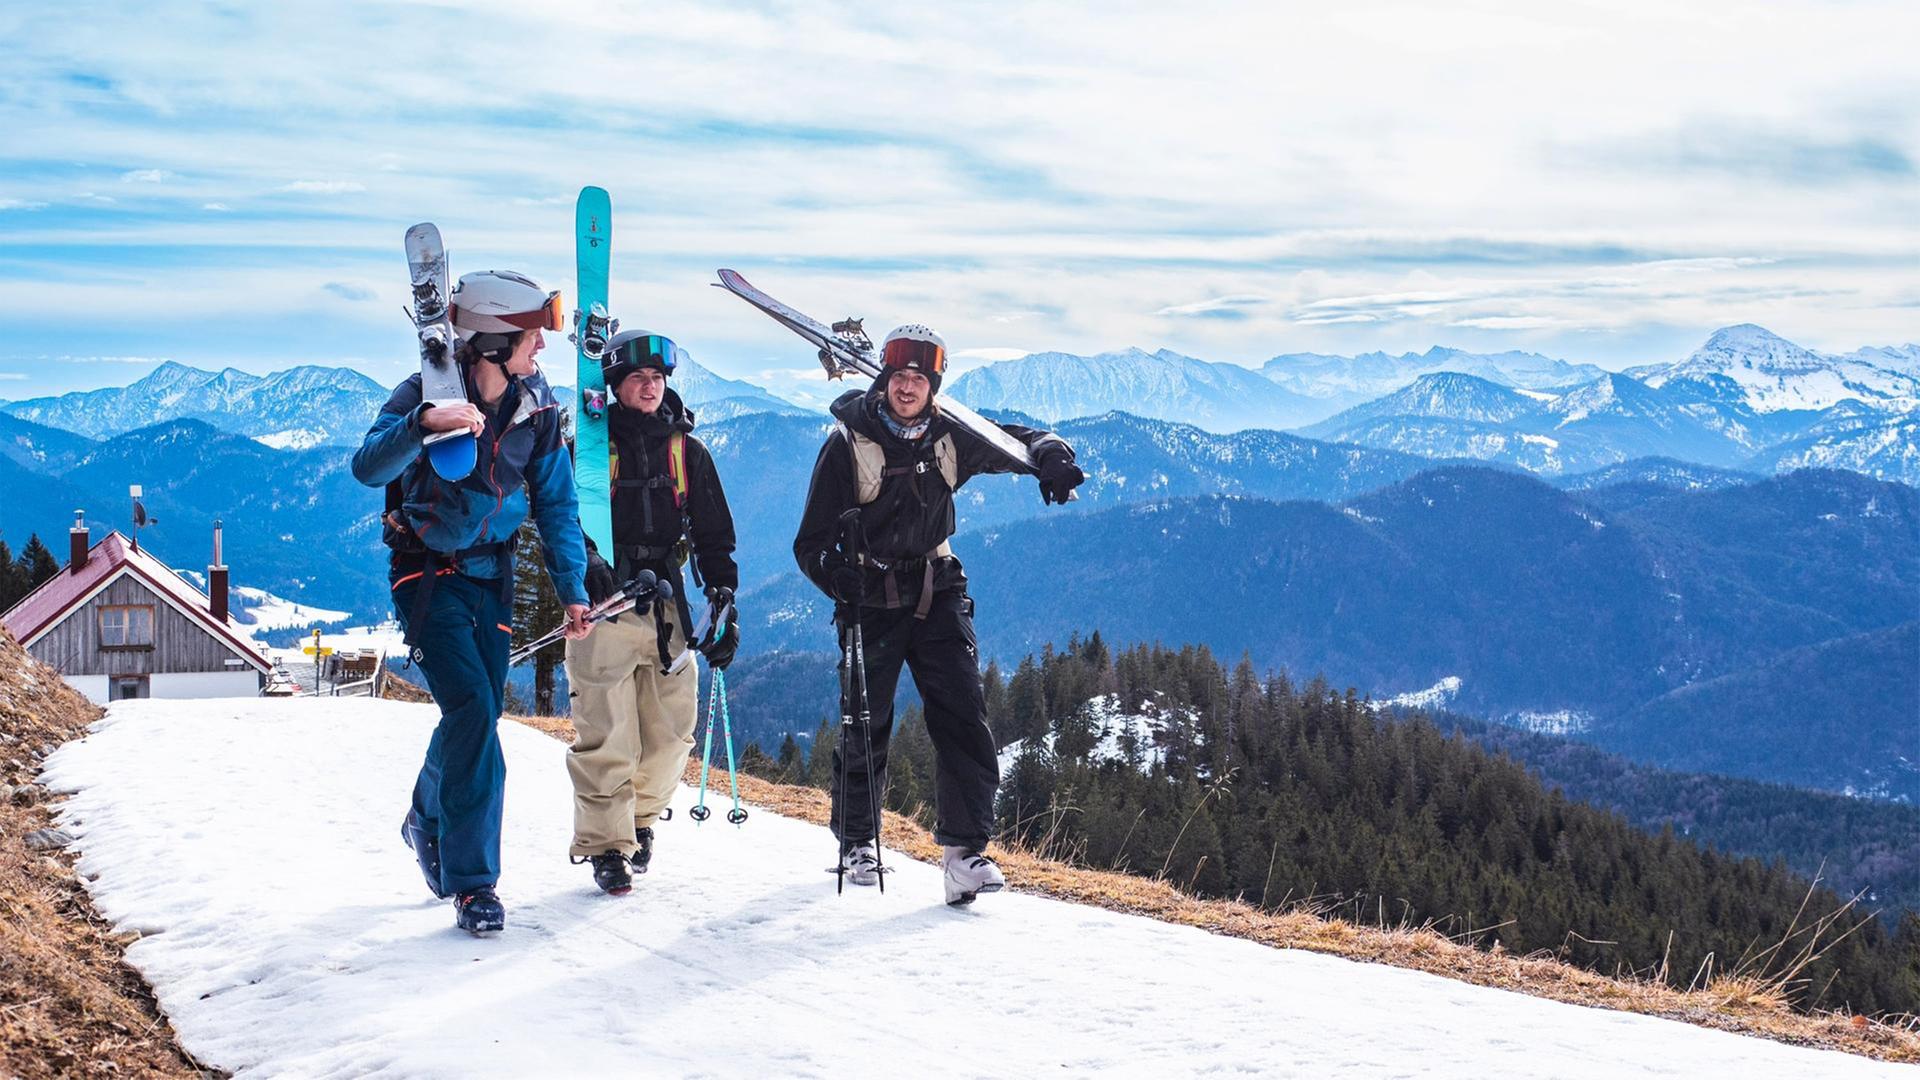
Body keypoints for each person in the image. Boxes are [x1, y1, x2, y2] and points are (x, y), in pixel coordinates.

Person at [792, 324, 1084, 905]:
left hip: (937, 588)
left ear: (933, 385)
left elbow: (1012, 440)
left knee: (963, 714)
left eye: (918, 379)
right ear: (884, 379)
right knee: (864, 720)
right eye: (899, 376)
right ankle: (857, 840)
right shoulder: (849, 443)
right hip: (869, 598)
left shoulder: (951, 436)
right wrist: (836, 578)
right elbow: (809, 545)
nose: (907, 388)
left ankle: (963, 854)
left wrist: (1051, 457)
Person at [351, 268, 591, 935]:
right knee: (475, 710)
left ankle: (425, 814)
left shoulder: (535, 407)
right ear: (490, 343)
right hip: (426, 577)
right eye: (529, 338)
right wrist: (424, 425)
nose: (540, 350)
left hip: (494, 575)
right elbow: (367, 467)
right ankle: (473, 884)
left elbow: (558, 502)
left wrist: (573, 590)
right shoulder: (419, 395)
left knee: (473, 720)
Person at [564, 329, 740, 895]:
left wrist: (724, 600)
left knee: (670, 736)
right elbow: (556, 518)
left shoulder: (688, 451)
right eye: (637, 378)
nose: (649, 386)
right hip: (602, 609)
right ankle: (607, 847)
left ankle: (639, 821)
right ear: (614, 385)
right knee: (606, 735)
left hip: (668, 608)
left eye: (657, 378)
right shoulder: (589, 450)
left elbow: (715, 538)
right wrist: (586, 566)